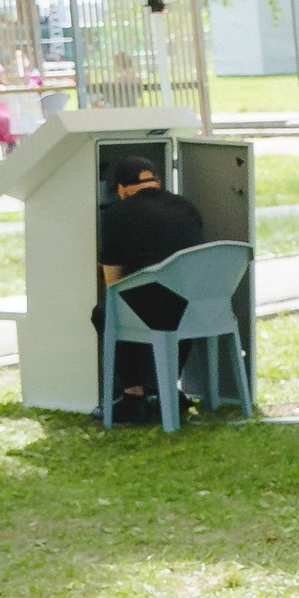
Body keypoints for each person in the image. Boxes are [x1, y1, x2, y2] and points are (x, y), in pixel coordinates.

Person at [96, 147, 209, 423]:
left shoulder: (116, 214)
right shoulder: (187, 206)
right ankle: (166, 387)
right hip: (199, 305)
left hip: (156, 309)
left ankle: (133, 396)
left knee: (107, 312)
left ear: (121, 189)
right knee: (174, 303)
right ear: (157, 182)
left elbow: (113, 282)